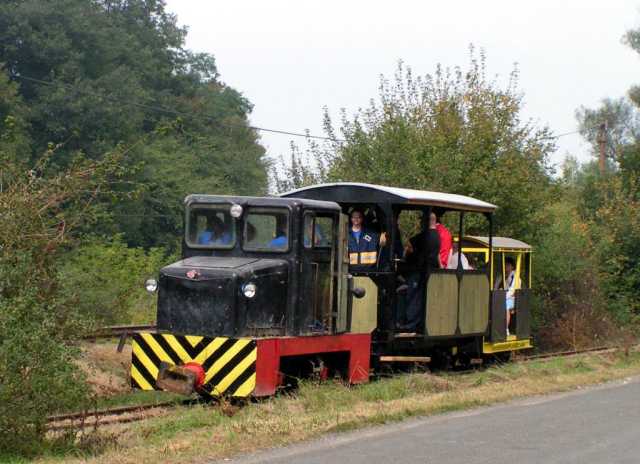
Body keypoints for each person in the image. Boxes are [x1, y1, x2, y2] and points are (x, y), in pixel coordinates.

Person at [399, 212, 441, 331]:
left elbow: (409, 244)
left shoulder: (425, 236)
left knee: (413, 297)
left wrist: (406, 255)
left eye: (422, 220)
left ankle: (410, 324)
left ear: (427, 221)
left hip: (419, 271)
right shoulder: (437, 236)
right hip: (428, 271)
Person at [504, 257, 521, 336]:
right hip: (505, 297)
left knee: (505, 305)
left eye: (507, 265)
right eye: (505, 264)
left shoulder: (516, 277)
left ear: (512, 266)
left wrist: (502, 298)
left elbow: (512, 291)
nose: (505, 266)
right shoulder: (504, 276)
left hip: (514, 299)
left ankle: (505, 328)